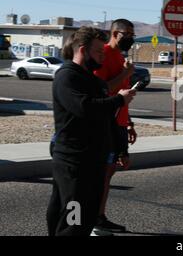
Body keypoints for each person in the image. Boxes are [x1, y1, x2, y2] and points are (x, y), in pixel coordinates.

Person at [46, 27, 135, 236]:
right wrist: (119, 99)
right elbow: (84, 107)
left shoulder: (92, 79)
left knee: (83, 216)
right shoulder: (67, 76)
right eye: (98, 51)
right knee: (73, 219)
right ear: (83, 50)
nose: (102, 55)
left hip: (93, 160)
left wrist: (121, 145)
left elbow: (104, 114)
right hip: (74, 162)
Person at [92, 19, 137, 235]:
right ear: (114, 33)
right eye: (126, 33)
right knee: (101, 174)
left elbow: (123, 95)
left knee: (109, 173)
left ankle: (99, 216)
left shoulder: (120, 57)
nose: (130, 38)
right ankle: (92, 220)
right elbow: (102, 91)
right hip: (105, 124)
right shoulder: (104, 55)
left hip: (119, 123)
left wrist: (129, 124)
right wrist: (126, 74)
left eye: (132, 34)